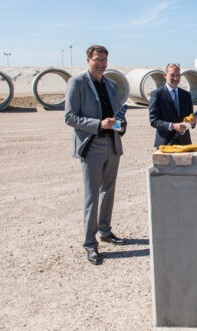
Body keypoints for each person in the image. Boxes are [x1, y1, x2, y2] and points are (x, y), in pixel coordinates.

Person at [65, 45, 128, 265]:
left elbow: (118, 112)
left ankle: (105, 231)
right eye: (97, 59)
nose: (101, 63)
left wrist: (120, 125)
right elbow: (70, 117)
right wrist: (97, 124)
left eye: (104, 60)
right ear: (88, 60)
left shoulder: (111, 84)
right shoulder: (77, 83)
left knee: (108, 191)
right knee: (92, 196)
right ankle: (90, 245)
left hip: (112, 144)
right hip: (91, 145)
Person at [149, 63, 196, 148]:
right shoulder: (157, 94)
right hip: (165, 143)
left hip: (184, 143)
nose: (175, 78)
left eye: (178, 75)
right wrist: (173, 126)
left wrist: (192, 122)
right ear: (165, 75)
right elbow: (154, 121)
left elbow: (190, 116)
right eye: (172, 75)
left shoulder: (186, 95)